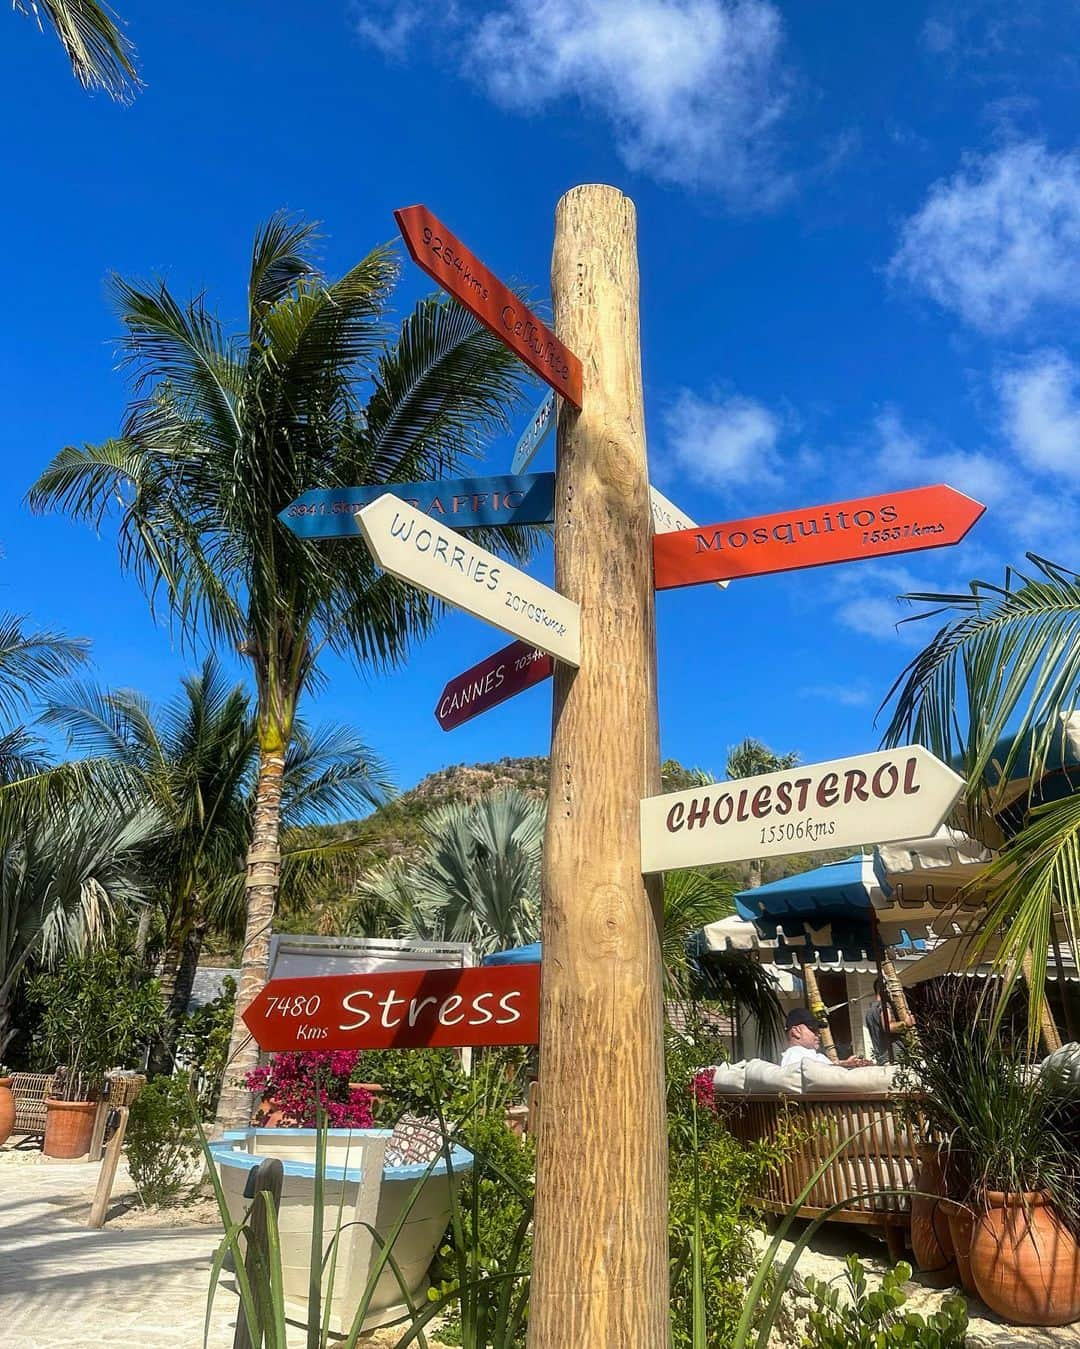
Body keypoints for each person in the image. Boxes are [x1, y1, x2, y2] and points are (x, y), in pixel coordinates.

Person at [779, 1007, 872, 1068]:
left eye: (818, 1030)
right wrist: (844, 1065)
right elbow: (815, 1074)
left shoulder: (811, 1055)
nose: (818, 1034)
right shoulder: (794, 1054)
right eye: (813, 1030)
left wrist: (846, 1064)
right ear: (796, 1031)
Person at [864, 977, 915, 1064]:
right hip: (894, 1058)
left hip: (882, 1059)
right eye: (890, 989)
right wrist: (906, 1023)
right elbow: (888, 1027)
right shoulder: (884, 1006)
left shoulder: (869, 1012)